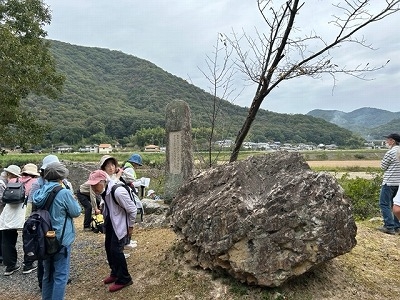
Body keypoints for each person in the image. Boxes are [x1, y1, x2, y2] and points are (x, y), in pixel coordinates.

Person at [33, 162, 81, 300]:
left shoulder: (39, 191)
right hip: (60, 238)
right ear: (62, 177)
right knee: (60, 275)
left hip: (43, 237)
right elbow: (76, 212)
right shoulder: (64, 192)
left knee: (48, 274)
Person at [85, 170, 136, 292]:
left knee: (116, 250)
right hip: (111, 223)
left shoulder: (118, 192)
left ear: (103, 181)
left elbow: (133, 210)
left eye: (95, 184)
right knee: (109, 248)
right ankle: (115, 273)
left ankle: (124, 278)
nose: (93, 187)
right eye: (91, 185)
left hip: (120, 225)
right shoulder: (105, 190)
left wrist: (130, 227)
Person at [0, 165, 26, 275]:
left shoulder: (6, 184)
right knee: (20, 238)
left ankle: (9, 265)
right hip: (18, 215)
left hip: (6, 215)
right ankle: (27, 263)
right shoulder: (22, 183)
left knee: (6, 240)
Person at [20, 163, 41, 274]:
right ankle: (29, 263)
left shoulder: (17, 180)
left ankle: (26, 262)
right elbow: (33, 200)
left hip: (21, 212)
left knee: (27, 238)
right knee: (35, 238)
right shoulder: (35, 182)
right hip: (33, 213)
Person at [378, 133, 400, 235]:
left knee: (384, 203)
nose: (387, 142)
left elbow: (383, 166)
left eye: (388, 140)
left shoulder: (390, 152)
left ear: (393, 141)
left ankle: (389, 226)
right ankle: (397, 226)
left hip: (389, 182)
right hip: (398, 183)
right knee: (396, 205)